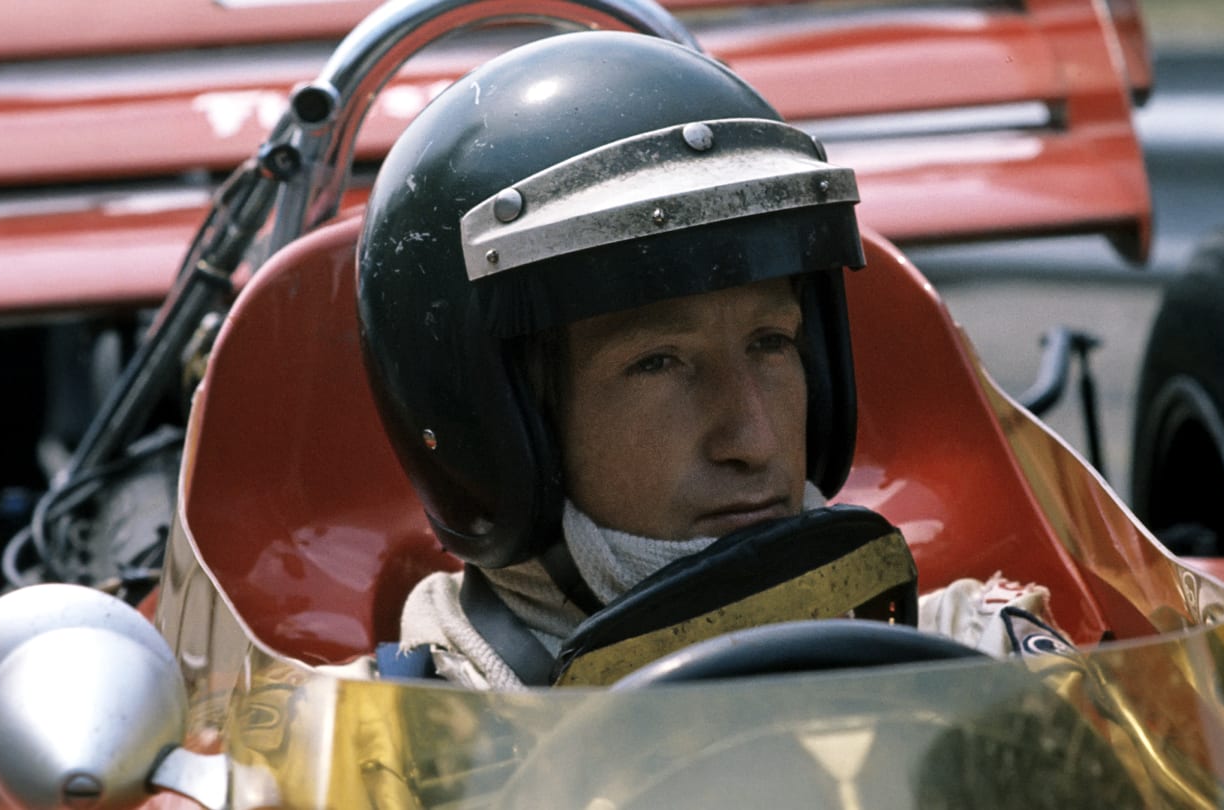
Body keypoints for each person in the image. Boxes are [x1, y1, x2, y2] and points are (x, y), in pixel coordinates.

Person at [355, 31, 1063, 690]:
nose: (752, 441)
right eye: (659, 362)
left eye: (771, 344)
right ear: (496, 429)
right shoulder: (382, 751)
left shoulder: (977, 661)